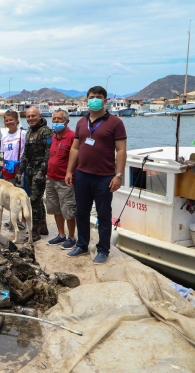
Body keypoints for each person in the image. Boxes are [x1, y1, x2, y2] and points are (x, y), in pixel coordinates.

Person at [65, 86, 127, 264]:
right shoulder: (81, 122)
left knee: (103, 215)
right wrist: (70, 170)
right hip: (82, 175)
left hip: (104, 177)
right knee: (82, 212)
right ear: (86, 99)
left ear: (105, 100)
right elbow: (75, 148)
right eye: (92, 97)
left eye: (98, 97)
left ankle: (103, 249)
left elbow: (121, 150)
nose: (95, 100)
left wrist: (119, 175)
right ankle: (82, 244)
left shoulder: (115, 123)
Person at [15, 106, 53, 240]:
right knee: (37, 201)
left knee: (33, 201)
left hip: (39, 171)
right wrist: (20, 171)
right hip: (29, 170)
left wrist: (42, 172)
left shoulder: (47, 132)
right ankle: (43, 227)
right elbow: (25, 154)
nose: (31, 118)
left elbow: (49, 153)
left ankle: (34, 231)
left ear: (40, 116)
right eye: (29, 116)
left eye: (33, 116)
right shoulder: (29, 132)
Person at [45, 109, 77, 250]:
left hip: (65, 181)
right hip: (50, 178)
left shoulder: (72, 137)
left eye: (59, 119)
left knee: (68, 210)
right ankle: (61, 234)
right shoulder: (53, 137)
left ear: (67, 121)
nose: (56, 121)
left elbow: (77, 158)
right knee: (56, 209)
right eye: (54, 119)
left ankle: (71, 237)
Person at [1, 109, 26, 183]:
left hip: (18, 169)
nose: (9, 122)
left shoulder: (23, 133)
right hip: (7, 169)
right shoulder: (4, 136)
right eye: (6, 121)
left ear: (16, 120)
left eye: (11, 120)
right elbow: (3, 153)